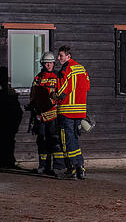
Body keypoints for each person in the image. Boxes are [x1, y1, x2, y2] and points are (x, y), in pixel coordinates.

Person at [51, 46, 90, 180]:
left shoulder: (66, 69)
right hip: (80, 110)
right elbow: (87, 86)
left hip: (67, 110)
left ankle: (73, 168)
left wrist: (54, 95)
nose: (58, 58)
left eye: (60, 55)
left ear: (68, 56)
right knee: (74, 138)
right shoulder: (82, 69)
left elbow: (64, 88)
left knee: (67, 140)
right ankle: (80, 167)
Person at [28, 51, 59, 174]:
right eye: (46, 63)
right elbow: (33, 94)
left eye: (51, 63)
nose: (49, 65)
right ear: (42, 64)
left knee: (54, 140)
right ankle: (43, 166)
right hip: (40, 115)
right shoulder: (38, 77)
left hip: (53, 114)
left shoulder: (57, 77)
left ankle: (56, 167)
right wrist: (33, 107)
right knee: (41, 140)